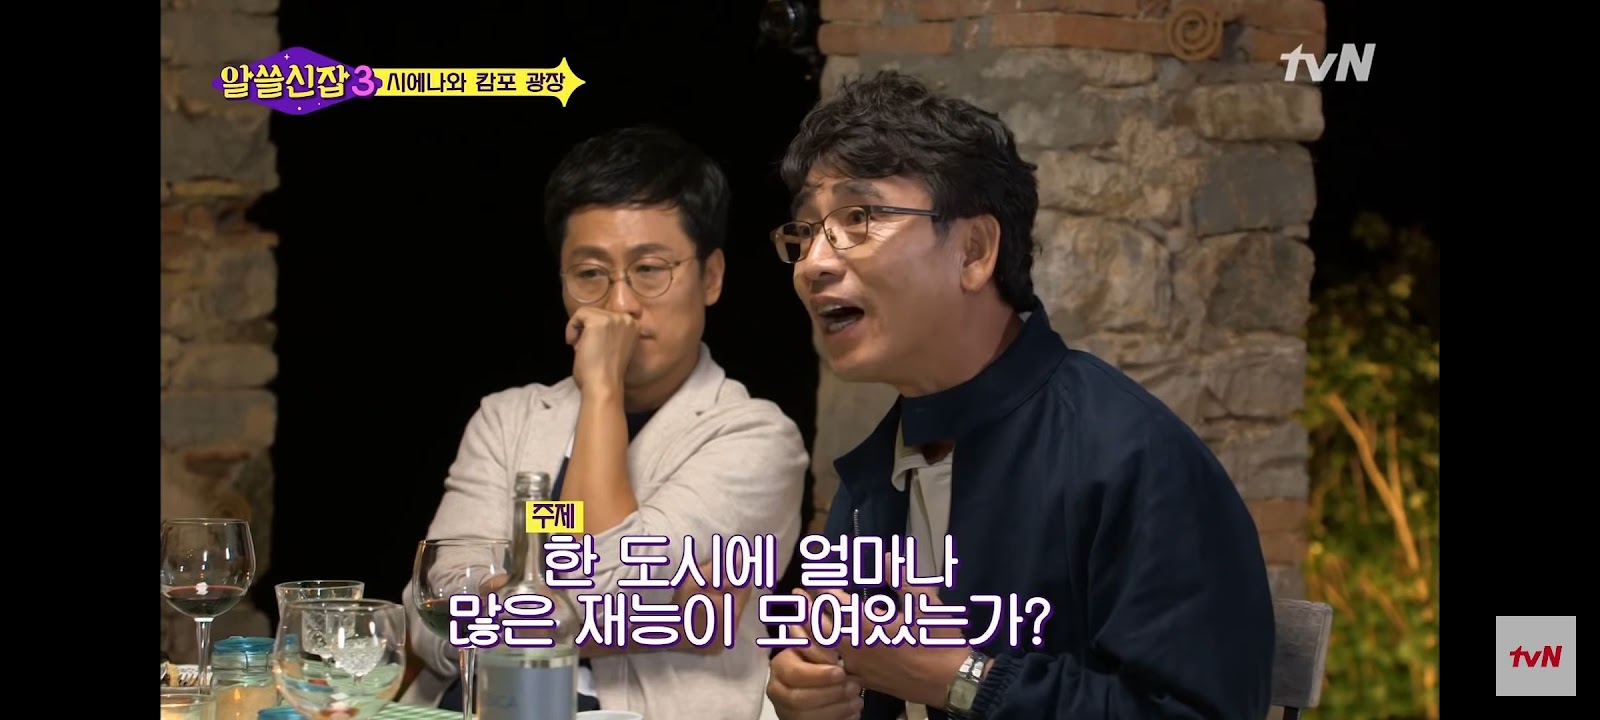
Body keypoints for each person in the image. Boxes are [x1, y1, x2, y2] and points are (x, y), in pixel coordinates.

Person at [764, 71, 1276, 720]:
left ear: (974, 252)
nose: (813, 262)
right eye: (807, 231)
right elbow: (867, 675)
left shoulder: (1130, 456)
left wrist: (967, 680)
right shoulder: (873, 479)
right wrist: (815, 697)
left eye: (858, 217)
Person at [402, 125, 809, 720]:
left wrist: (600, 391)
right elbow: (431, 612)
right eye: (590, 274)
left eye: (650, 269)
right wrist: (641, 617)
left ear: (711, 277)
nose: (620, 304)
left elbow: (603, 589)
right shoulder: (507, 419)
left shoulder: (756, 439)